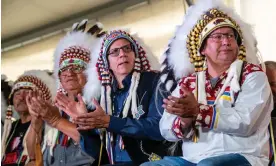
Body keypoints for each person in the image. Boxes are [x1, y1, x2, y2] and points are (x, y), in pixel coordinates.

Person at [142, 0, 273, 166]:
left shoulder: (252, 75)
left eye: (230, 36)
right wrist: (184, 121)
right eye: (217, 37)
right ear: (202, 49)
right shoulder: (188, 83)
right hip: (192, 160)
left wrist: (198, 111)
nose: (226, 41)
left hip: (244, 156)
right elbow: (165, 128)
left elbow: (245, 122)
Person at [58, 29, 173, 165]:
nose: (122, 54)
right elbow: (96, 152)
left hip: (148, 160)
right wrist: (84, 125)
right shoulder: (102, 97)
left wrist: (110, 122)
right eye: (115, 52)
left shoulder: (154, 81)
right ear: (106, 62)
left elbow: (159, 127)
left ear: (134, 55)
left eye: (127, 49)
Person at [25, 20, 108, 166]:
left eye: (77, 67)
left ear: (90, 73)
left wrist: (56, 121)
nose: (69, 73)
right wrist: (35, 119)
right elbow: (32, 154)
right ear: (59, 77)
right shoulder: (54, 109)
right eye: (63, 69)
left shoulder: (99, 105)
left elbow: (98, 147)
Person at [1, 70, 55, 166]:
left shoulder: (48, 127)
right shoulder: (9, 128)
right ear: (12, 100)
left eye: (27, 93)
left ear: (40, 99)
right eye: (17, 94)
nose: (21, 97)